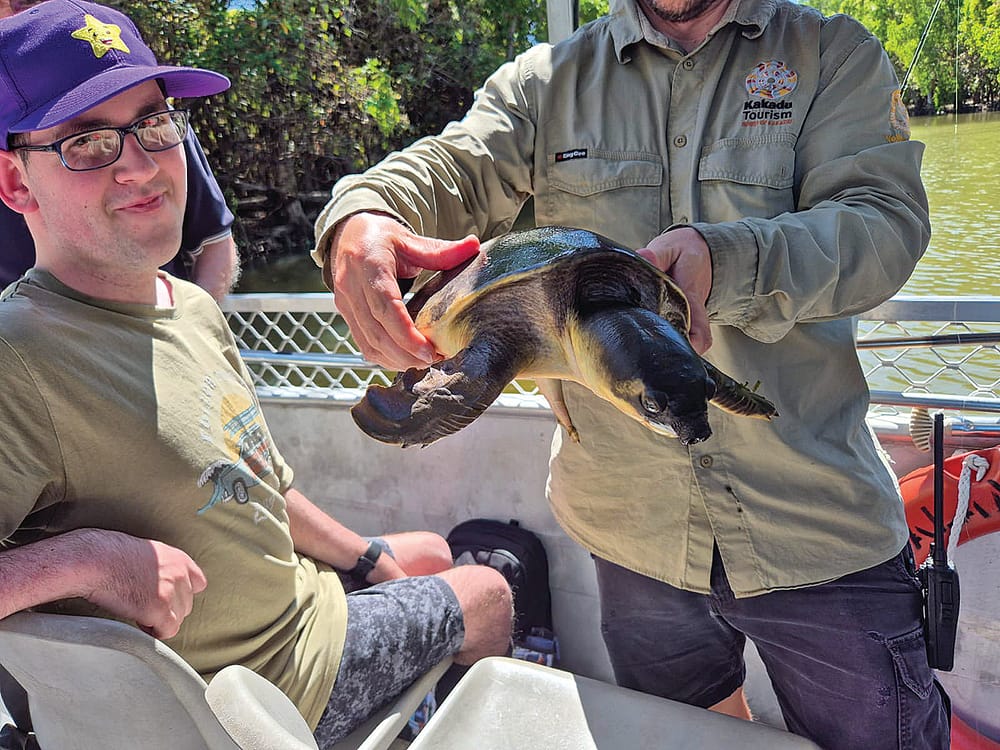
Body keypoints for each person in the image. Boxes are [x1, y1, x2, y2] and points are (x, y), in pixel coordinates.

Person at [312, 0, 950, 746]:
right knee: (684, 733)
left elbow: (885, 222)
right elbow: (450, 167)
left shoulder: (831, 51)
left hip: (814, 519)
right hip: (628, 529)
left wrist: (728, 258)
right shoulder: (546, 81)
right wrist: (360, 215)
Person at [0, 2, 513, 747]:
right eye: (86, 144)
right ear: (16, 186)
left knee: (427, 553)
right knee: (488, 592)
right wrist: (88, 561)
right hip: (258, 694)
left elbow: (254, 483)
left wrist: (370, 559)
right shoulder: (19, 354)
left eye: (151, 123)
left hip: (301, 610)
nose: (141, 165)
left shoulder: (192, 309)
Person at [0, 0, 239, 301]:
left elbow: (213, 240)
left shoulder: (157, 133)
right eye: (87, 141)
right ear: (14, 179)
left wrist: (192, 330)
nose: (143, 167)